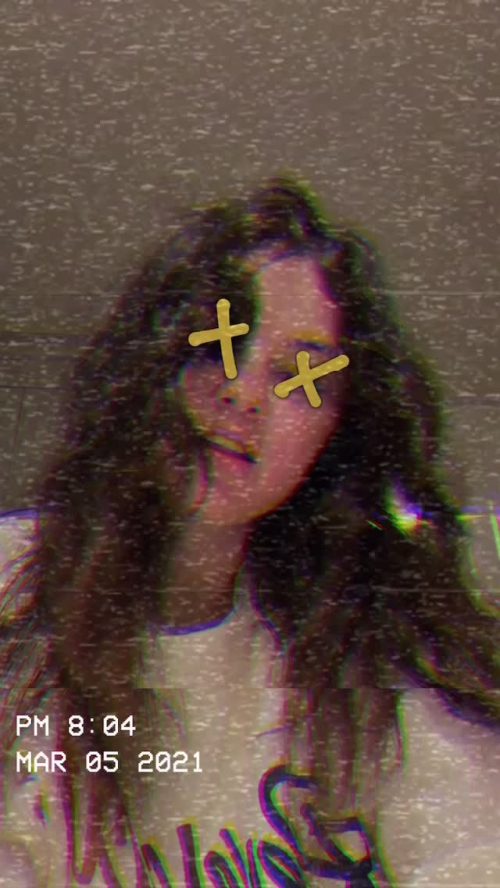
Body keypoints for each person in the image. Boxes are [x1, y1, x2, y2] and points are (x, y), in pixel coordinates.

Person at [0, 173, 499, 887]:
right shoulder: (13, 595)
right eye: (217, 344)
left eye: (299, 378)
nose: (243, 394)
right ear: (149, 362)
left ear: (338, 432)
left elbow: (473, 858)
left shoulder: (383, 639)